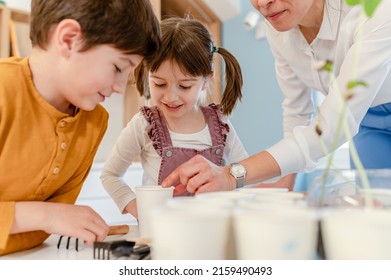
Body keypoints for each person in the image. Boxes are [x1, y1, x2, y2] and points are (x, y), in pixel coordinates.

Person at [160, 0, 391, 193]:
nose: (262, 3)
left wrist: (232, 175)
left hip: (353, 116)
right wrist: (286, 183)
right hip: (368, 121)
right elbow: (297, 110)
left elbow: (332, 126)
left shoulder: (374, 11)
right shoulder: (280, 28)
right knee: (378, 211)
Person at [0, 0, 160, 256]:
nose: (120, 87)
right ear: (68, 39)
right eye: (118, 67)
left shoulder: (94, 122)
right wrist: (45, 215)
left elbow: (55, 217)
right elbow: (52, 216)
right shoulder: (4, 91)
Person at [100, 16, 248, 219]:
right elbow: (110, 175)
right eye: (159, 84)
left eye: (185, 86)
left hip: (211, 230)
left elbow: (244, 172)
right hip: (161, 235)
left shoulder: (220, 124)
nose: (170, 97)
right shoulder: (144, 125)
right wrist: (140, 211)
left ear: (206, 80)